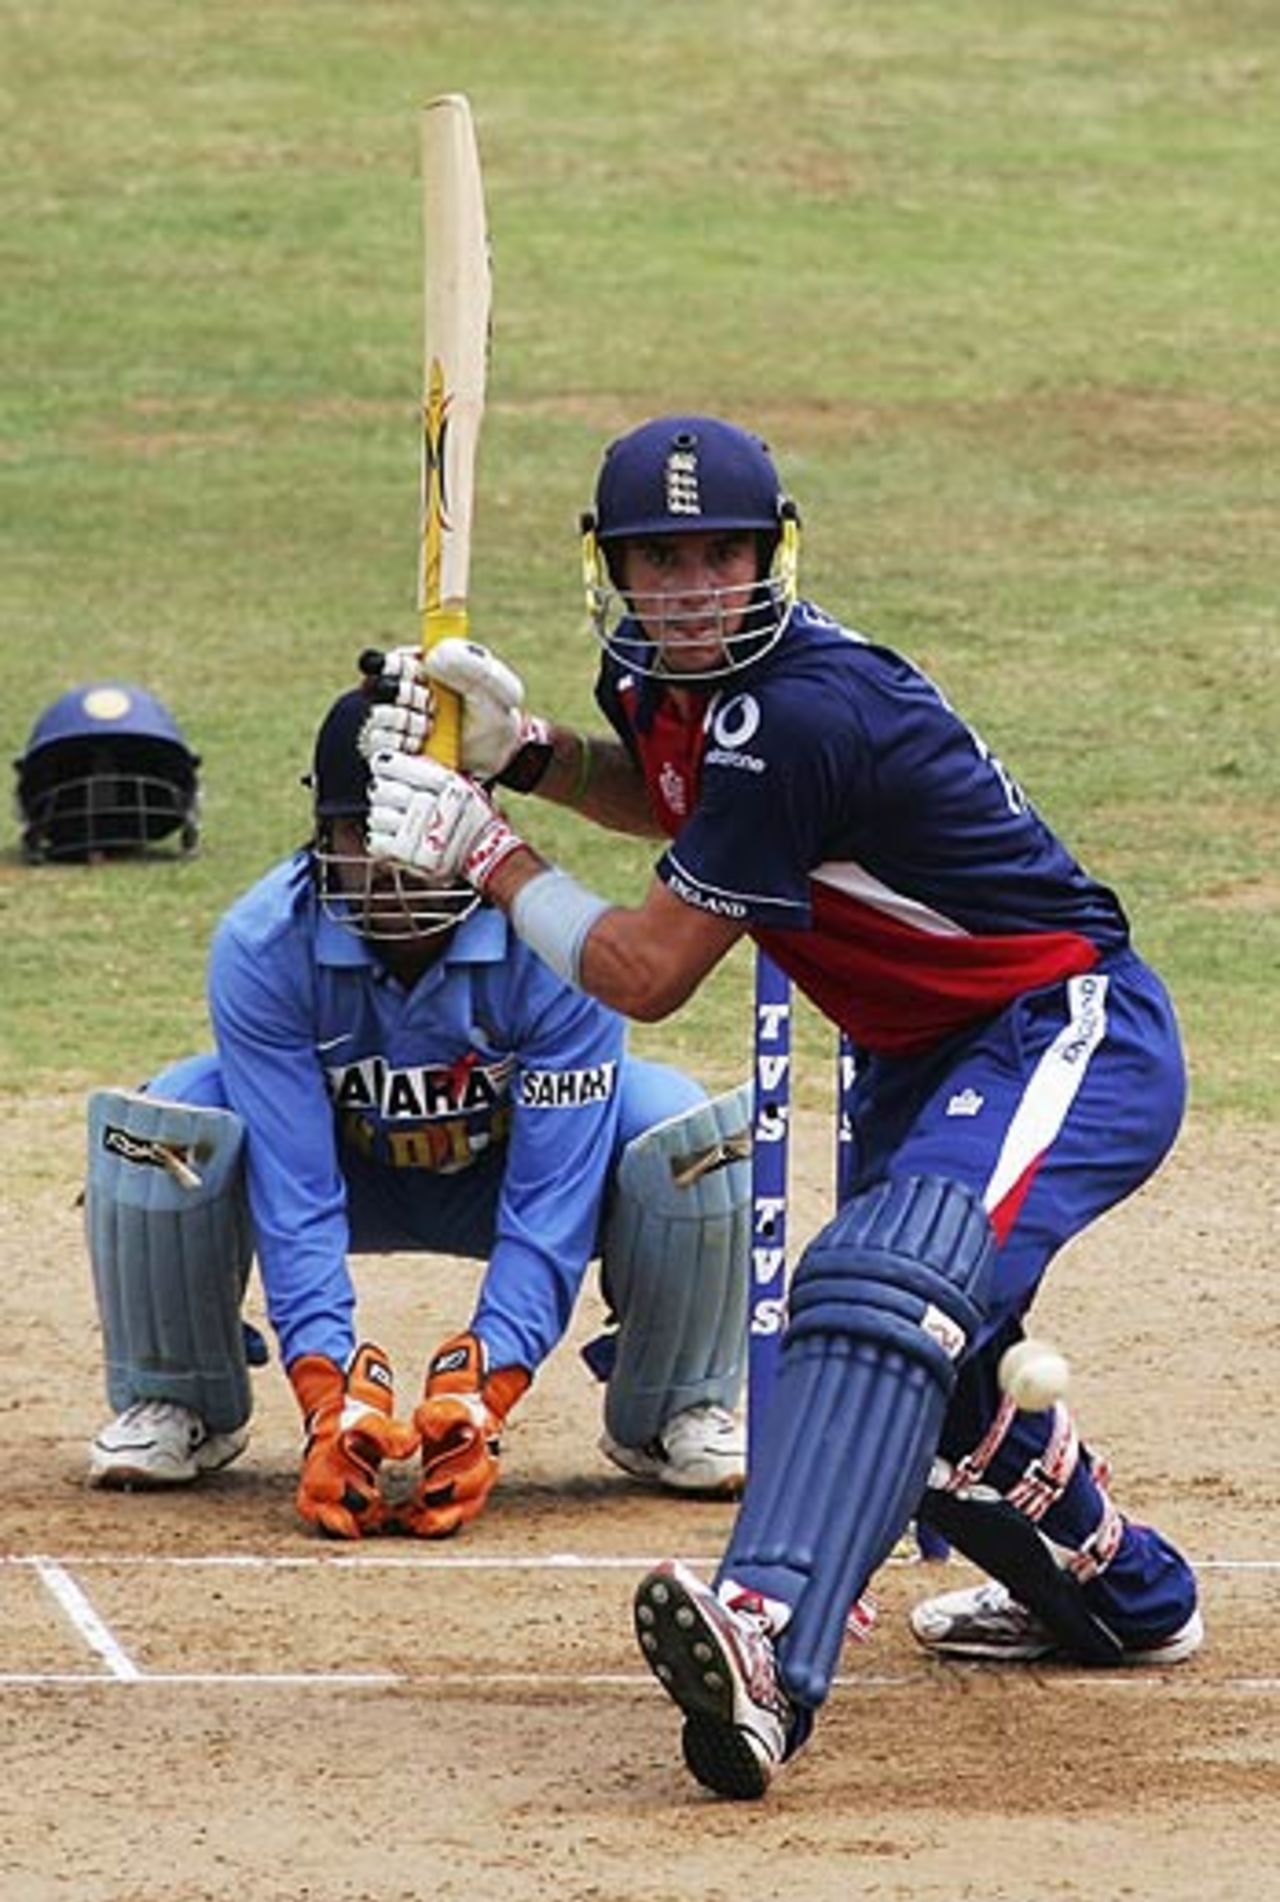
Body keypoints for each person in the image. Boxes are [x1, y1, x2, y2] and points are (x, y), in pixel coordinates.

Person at [360, 413, 1203, 1796]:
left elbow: (644, 974)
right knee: (928, 1392)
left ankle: (766, 1641)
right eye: (660, 559)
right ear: (612, 569)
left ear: (773, 551)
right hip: (919, 1054)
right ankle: (1126, 1593)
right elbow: (689, 806)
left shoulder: (799, 708)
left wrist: (490, 856)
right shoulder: (662, 688)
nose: (693, 588)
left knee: (875, 1289)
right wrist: (536, 756)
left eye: (720, 554)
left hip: (1060, 1025)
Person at [85, 685, 754, 1539]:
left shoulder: (559, 947)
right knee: (170, 1122)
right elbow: (295, 1193)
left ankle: (677, 1406)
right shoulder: (262, 945)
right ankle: (175, 1399)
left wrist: (484, 1393)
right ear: (322, 834)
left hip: (508, 1176)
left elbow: (552, 1206)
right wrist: (330, 1399)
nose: (398, 863)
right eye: (367, 832)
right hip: (348, 1173)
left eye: (423, 829)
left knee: (679, 1133)